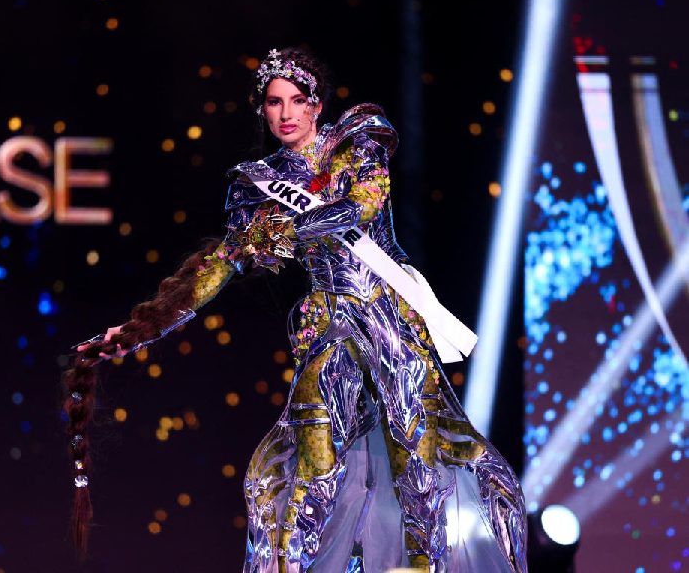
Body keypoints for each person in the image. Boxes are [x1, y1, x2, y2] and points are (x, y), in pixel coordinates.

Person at [62, 47, 528, 573]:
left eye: (297, 101)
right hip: (327, 327)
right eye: (273, 102)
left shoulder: (357, 141)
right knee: (312, 463)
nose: (285, 113)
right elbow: (217, 264)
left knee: (415, 458)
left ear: (317, 105)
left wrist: (290, 227)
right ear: (262, 110)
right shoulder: (257, 182)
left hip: (388, 318)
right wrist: (140, 327)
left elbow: (363, 203)